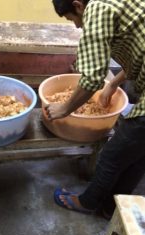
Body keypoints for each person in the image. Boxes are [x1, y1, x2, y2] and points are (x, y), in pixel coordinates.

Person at [45, 0, 145, 219]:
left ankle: (88, 202)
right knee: (137, 156)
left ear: (78, 5)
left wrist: (64, 109)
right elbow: (138, 50)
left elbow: (91, 78)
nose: (77, 26)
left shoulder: (97, 9)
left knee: (112, 155)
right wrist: (114, 83)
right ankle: (111, 208)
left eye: (72, 19)